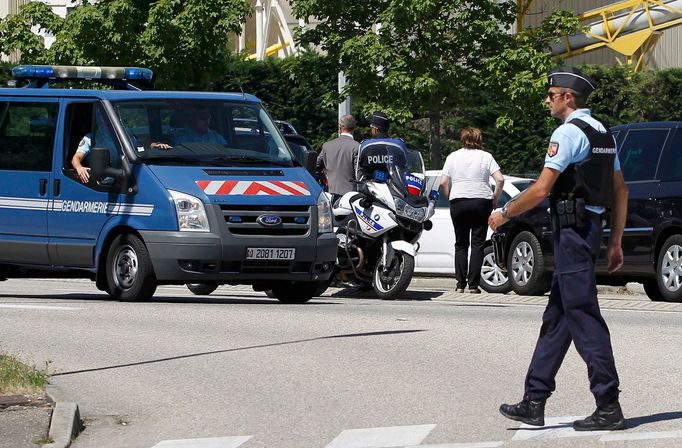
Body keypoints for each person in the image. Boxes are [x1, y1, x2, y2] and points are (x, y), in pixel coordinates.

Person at [489, 66, 629, 431]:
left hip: (572, 232)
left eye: (552, 95)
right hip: (590, 229)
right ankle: (534, 400)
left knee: (583, 315)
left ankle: (608, 404)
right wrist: (614, 241)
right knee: (557, 318)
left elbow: (541, 189)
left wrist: (504, 213)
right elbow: (621, 191)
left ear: (569, 97)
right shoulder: (603, 133)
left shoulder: (567, 133)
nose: (547, 100)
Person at [440, 127, 504, 294]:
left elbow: (443, 183)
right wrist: (494, 198)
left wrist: (450, 197)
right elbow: (500, 179)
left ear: (463, 139)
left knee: (460, 244)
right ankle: (473, 285)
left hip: (458, 201)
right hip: (481, 201)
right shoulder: (486, 156)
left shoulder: (452, 156)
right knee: (478, 244)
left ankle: (459, 284)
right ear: (479, 139)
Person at [316, 114, 360, 203]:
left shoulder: (327, 146)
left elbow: (316, 165)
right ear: (354, 128)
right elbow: (359, 173)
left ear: (340, 127)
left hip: (330, 195)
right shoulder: (358, 147)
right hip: (351, 197)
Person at [356, 111, 409, 181]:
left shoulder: (365, 145)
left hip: (371, 187)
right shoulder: (399, 144)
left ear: (375, 129)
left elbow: (359, 170)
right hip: (395, 187)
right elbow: (407, 165)